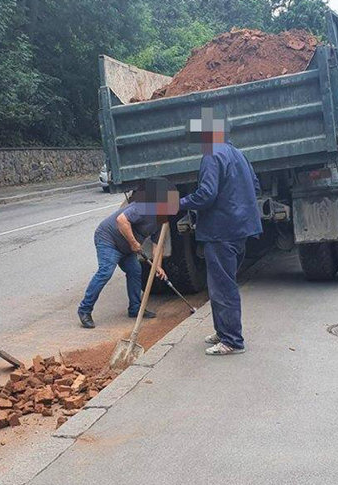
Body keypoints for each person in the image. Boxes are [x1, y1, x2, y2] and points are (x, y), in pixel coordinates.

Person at [179, 110, 262, 356]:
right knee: (221, 283)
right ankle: (222, 331)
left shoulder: (211, 155)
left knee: (222, 286)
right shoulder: (238, 153)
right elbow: (255, 186)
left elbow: (206, 194)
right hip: (239, 229)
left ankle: (232, 341)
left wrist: (178, 203)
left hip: (220, 231)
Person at [77, 181, 169, 329]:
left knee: (135, 271)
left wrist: (158, 267)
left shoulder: (161, 220)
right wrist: (133, 243)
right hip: (108, 239)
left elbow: (158, 245)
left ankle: (135, 309)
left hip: (126, 246)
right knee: (105, 272)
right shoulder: (143, 207)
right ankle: (84, 310)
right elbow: (122, 220)